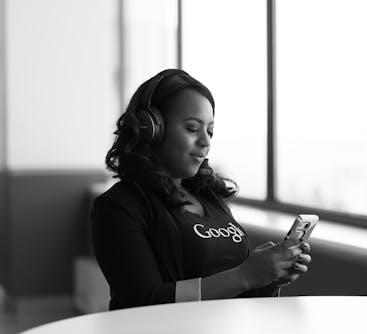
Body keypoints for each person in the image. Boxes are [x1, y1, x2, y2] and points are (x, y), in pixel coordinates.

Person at [91, 69, 312, 310]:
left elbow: (236, 294)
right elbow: (145, 302)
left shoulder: (210, 198)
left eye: (210, 131)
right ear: (151, 129)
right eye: (193, 129)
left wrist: (268, 278)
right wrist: (245, 275)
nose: (206, 142)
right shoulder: (118, 207)